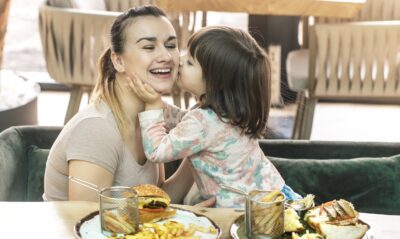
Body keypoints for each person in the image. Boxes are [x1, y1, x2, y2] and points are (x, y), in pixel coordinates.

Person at [130, 26, 301, 208]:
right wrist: (159, 106)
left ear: (214, 82)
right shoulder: (229, 112)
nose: (179, 60)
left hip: (252, 213)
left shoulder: (202, 122)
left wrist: (151, 109)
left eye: (190, 62)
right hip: (275, 196)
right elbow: (186, 122)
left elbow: (158, 151)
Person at [43, 6, 194, 203]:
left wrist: (198, 149)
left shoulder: (152, 116)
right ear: (118, 61)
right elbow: (89, 222)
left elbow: (156, 202)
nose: (166, 56)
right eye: (149, 47)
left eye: (171, 45)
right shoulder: (96, 130)